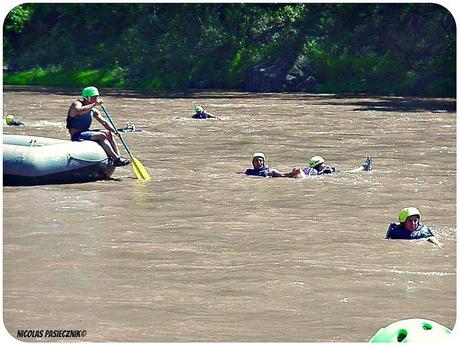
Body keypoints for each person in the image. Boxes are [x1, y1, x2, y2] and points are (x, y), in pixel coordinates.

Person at [66, 86, 130, 166]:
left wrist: (115, 131)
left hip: (86, 131)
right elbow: (79, 110)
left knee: (108, 133)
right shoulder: (77, 104)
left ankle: (118, 158)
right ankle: (115, 158)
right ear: (87, 97)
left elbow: (104, 122)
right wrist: (94, 104)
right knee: (101, 135)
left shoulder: (93, 109)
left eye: (96, 97)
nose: (96, 99)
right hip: (76, 135)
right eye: (94, 97)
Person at [289, 155, 372, 177]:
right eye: (322, 164)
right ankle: (364, 167)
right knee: (348, 172)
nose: (324, 165)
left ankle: (364, 167)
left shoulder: (307, 170)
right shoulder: (327, 171)